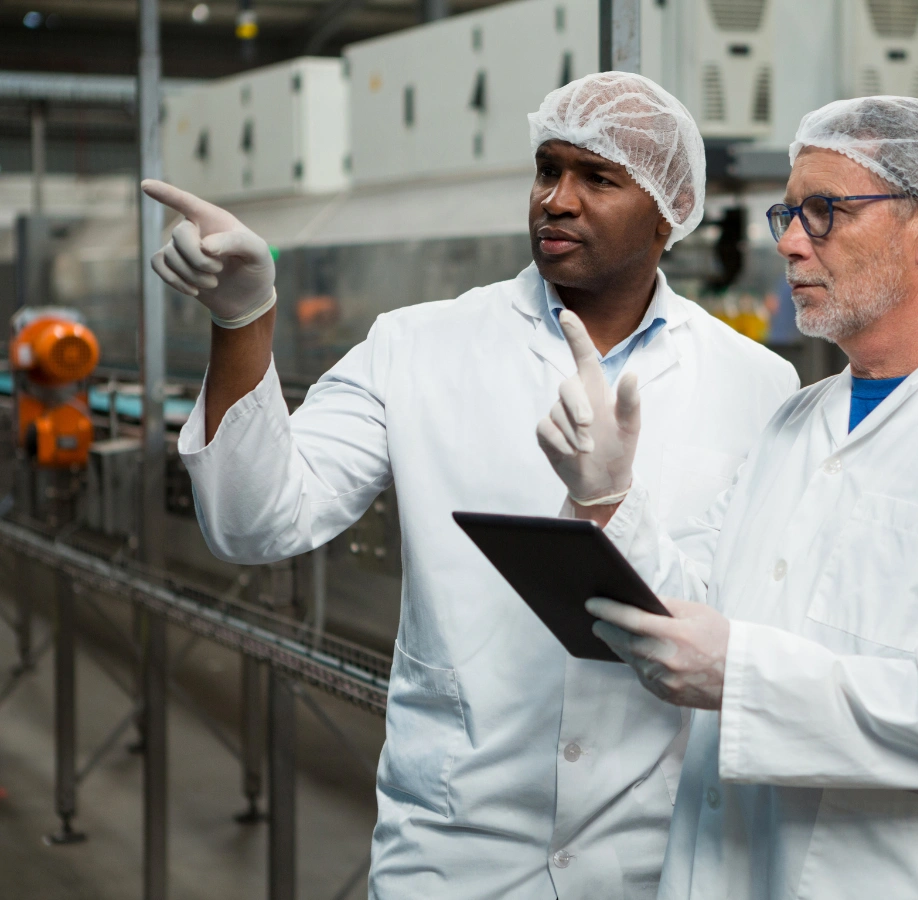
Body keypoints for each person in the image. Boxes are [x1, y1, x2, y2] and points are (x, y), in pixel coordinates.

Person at [142, 72, 799, 899]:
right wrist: (242, 321)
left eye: (597, 178)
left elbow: (736, 620)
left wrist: (611, 508)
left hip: (656, 854)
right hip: (455, 850)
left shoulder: (757, 386)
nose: (557, 199)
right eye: (547, 169)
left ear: (671, 209)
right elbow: (255, 524)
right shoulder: (417, 345)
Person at [536, 96, 918, 899]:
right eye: (788, 212)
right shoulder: (797, 420)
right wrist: (608, 500)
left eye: (824, 212)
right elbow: (697, 605)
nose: (786, 240)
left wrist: (742, 674)